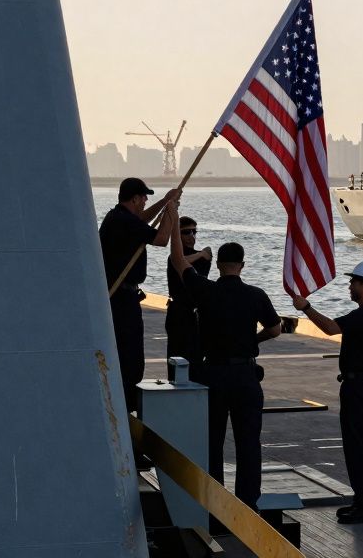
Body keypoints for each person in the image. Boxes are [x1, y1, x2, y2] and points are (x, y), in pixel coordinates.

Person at [172, 237, 281, 510]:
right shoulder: (256, 295)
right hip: (245, 374)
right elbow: (275, 328)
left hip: (214, 373)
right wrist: (252, 341)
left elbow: (178, 260)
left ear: (219, 265)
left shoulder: (206, 290)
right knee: (248, 444)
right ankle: (247, 505)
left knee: (213, 442)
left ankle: (215, 503)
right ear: (242, 266)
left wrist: (173, 218)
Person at [293, 262, 363, 524]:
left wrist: (306, 308)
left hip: (360, 387)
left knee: (360, 448)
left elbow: (330, 328)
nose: (350, 286)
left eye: (354, 282)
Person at [99, 177, 181, 414]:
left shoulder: (119, 217)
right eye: (144, 197)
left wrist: (166, 201)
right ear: (135, 198)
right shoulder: (123, 221)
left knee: (128, 353)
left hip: (121, 296)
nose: (146, 201)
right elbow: (161, 239)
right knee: (130, 356)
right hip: (122, 299)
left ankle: (125, 402)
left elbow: (141, 220)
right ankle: (126, 405)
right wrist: (170, 212)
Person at [166, 216, 212, 380]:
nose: (191, 236)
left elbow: (202, 258)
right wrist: (200, 254)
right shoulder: (176, 258)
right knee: (176, 355)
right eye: (186, 232)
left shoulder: (202, 256)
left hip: (195, 312)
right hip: (178, 311)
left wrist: (200, 255)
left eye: (194, 232)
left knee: (195, 357)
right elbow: (177, 260)